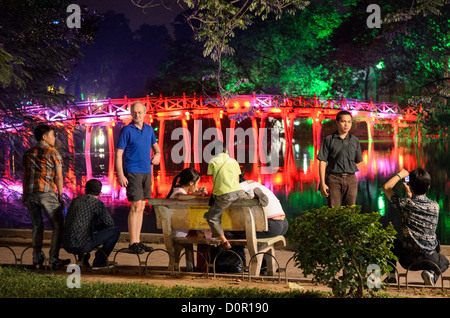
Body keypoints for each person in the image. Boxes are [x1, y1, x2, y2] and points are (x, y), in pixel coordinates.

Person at [382, 168, 449, 286]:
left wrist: (400, 174)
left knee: (391, 241)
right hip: (430, 260)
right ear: (428, 187)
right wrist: (411, 194)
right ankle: (430, 274)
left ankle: (391, 275)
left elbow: (386, 187)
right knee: (444, 261)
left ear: (410, 186)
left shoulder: (405, 204)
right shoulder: (435, 206)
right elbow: (418, 205)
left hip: (407, 260)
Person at [22, 124, 70, 270]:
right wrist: (60, 196)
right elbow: (59, 177)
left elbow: (25, 176)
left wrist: (24, 194)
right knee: (58, 225)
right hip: (46, 193)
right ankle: (54, 259)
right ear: (44, 137)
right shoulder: (53, 152)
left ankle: (37, 260)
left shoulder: (28, 153)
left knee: (37, 226)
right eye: (52, 135)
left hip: (31, 194)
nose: (54, 138)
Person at [116, 101, 161, 254]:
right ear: (131, 113)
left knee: (141, 207)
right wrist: (120, 174)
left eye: (140, 112)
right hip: (132, 171)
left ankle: (138, 241)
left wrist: (158, 155)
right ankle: (132, 242)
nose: (137, 115)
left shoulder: (149, 130)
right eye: (134, 112)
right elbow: (119, 153)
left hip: (147, 172)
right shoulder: (126, 130)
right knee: (135, 207)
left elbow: (156, 147)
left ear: (145, 112)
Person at [62, 179, 120, 269]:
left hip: (66, 244)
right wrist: (95, 228)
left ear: (85, 191)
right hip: (82, 245)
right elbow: (109, 223)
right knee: (115, 231)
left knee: (83, 229)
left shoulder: (75, 201)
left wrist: (91, 228)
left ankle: (83, 259)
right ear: (100, 193)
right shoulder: (97, 203)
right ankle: (99, 262)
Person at [317, 110, 363, 208]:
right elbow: (322, 161)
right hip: (333, 180)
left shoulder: (355, 141)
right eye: (343, 121)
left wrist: (350, 167)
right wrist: (323, 183)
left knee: (350, 212)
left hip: (351, 180)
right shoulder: (329, 140)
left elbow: (359, 161)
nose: (346, 125)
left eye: (349, 122)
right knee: (334, 212)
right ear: (337, 122)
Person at [206, 142, 247, 251]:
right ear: (226, 151)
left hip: (225, 195)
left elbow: (213, 177)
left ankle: (224, 241)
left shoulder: (213, 161)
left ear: (213, 153)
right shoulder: (233, 161)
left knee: (212, 217)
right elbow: (237, 179)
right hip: (239, 192)